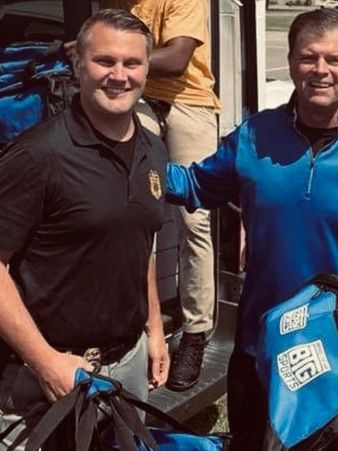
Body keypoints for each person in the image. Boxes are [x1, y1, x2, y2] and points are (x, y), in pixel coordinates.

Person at [167, 8, 338, 449]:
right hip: (259, 346)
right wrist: (128, 165)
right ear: (291, 61)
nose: (321, 70)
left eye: (334, 59)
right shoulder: (254, 137)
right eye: (308, 58)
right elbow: (193, 184)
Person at [0, 9, 169, 445]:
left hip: (126, 364)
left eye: (132, 63)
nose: (119, 75)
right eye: (104, 61)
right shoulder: (38, 155)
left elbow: (140, 241)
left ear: (147, 69)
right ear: (78, 66)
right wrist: (43, 360)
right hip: (45, 375)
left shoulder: (153, 148)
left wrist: (153, 329)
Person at [98, 0, 221, 392]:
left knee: (194, 220)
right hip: (142, 98)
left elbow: (177, 58)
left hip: (191, 102)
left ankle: (196, 331)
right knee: (136, 212)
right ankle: (139, 324)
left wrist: (111, 53)